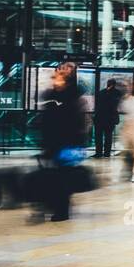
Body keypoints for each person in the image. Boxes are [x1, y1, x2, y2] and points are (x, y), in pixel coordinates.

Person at [37, 63, 90, 222]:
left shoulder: (74, 98)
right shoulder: (49, 95)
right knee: (54, 177)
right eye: (54, 77)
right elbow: (46, 119)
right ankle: (55, 205)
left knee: (61, 178)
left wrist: (77, 142)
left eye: (57, 78)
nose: (54, 81)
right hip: (52, 143)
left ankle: (61, 210)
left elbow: (78, 123)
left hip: (66, 144)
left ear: (66, 81)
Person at [93, 79, 123, 158]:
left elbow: (113, 103)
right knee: (105, 136)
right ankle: (104, 153)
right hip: (107, 118)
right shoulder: (116, 93)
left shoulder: (104, 92)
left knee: (105, 136)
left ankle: (101, 153)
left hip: (104, 117)